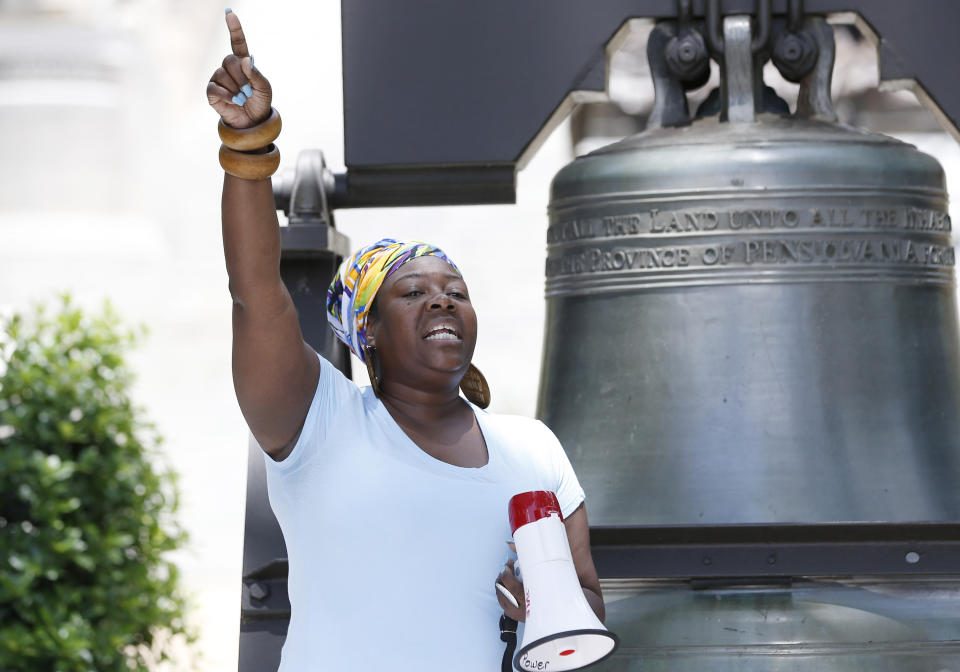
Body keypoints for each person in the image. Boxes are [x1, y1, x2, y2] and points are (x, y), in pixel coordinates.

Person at [207, 10, 606, 671]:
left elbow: (588, 608)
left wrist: (549, 603)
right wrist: (247, 143)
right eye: (413, 292)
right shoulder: (319, 424)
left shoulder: (534, 451)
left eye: (455, 289)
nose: (443, 298)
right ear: (368, 332)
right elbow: (255, 290)